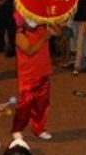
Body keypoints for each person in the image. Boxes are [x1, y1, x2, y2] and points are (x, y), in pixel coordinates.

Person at [11, 13, 55, 141]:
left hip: (43, 72)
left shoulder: (43, 28)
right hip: (28, 76)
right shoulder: (20, 34)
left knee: (42, 105)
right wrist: (44, 38)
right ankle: (17, 128)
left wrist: (52, 20)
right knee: (24, 105)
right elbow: (29, 51)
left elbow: (58, 32)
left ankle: (39, 129)